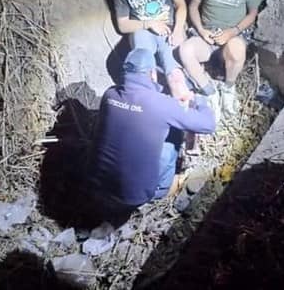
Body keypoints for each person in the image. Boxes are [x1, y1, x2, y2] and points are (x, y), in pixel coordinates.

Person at [87, 48, 215, 221]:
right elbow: (208, 125)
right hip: (134, 197)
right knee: (173, 136)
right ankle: (162, 189)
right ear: (152, 74)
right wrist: (199, 100)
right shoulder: (161, 104)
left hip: (97, 188)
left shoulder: (109, 95)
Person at [180, 0, 264, 119]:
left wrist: (232, 32)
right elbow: (193, 6)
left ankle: (228, 88)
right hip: (207, 35)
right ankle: (209, 92)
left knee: (237, 48)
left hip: (232, 35)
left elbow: (252, 13)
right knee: (185, 51)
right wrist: (202, 31)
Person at [112, 0, 190, 99]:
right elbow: (123, 25)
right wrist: (148, 23)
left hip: (169, 28)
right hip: (143, 30)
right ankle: (149, 107)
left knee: (174, 74)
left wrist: (178, 30)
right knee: (145, 70)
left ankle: (185, 109)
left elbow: (181, 5)